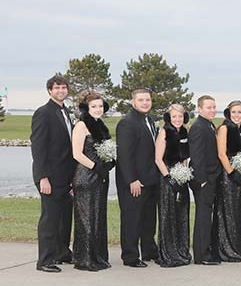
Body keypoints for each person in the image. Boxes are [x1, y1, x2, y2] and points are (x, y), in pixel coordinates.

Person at [30, 75, 75, 272]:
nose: (60, 91)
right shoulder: (43, 113)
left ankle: (62, 252)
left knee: (65, 218)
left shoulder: (66, 112)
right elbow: (38, 148)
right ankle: (45, 260)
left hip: (66, 176)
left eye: (64, 87)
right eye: (57, 88)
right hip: (50, 176)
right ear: (50, 90)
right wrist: (43, 177)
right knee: (50, 218)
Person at [115, 88, 161, 267]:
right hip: (134, 182)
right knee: (132, 219)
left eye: (147, 100)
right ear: (133, 102)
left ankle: (149, 250)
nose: (145, 103)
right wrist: (131, 180)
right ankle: (130, 256)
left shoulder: (149, 120)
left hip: (150, 179)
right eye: (141, 100)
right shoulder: (127, 123)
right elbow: (125, 156)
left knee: (149, 218)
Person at [70, 91, 113, 271]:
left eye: (100, 106)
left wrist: (109, 161)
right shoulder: (81, 125)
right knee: (86, 218)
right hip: (85, 176)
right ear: (86, 108)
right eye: (94, 106)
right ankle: (85, 258)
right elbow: (76, 153)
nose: (98, 109)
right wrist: (95, 167)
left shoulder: (100, 125)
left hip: (100, 177)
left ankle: (98, 256)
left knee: (98, 217)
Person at [154, 104, 192, 268]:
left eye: (180, 116)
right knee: (168, 214)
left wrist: (183, 173)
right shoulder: (164, 132)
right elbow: (158, 159)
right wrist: (169, 177)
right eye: (174, 117)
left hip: (180, 176)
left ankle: (181, 250)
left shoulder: (184, 132)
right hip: (167, 177)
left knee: (181, 213)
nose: (178, 119)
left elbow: (185, 156)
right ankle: (168, 253)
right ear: (169, 118)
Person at [215, 100, 241, 262]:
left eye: (240, 112)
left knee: (239, 210)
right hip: (228, 175)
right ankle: (228, 249)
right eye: (234, 112)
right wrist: (231, 173)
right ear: (229, 114)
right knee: (228, 211)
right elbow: (222, 154)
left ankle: (240, 247)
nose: (237, 115)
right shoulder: (224, 128)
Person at [188, 95, 222, 265]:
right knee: (202, 216)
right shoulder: (198, 127)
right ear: (199, 109)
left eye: (214, 107)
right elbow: (196, 156)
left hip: (211, 178)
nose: (212, 110)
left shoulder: (208, 125)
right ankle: (202, 255)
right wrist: (202, 181)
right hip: (204, 180)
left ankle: (207, 250)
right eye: (208, 107)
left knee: (206, 215)